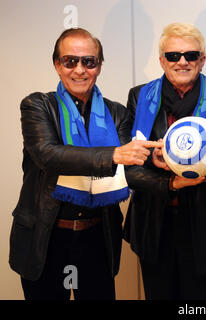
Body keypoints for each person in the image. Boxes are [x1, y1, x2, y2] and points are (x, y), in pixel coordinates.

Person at [9, 28, 158, 300]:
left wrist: (173, 178)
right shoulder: (38, 105)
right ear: (57, 64)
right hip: (46, 237)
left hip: (97, 237)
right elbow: (49, 155)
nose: (80, 69)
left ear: (99, 66)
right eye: (70, 61)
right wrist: (114, 154)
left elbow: (131, 170)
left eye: (89, 61)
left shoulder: (117, 113)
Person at [123, 23, 206, 300]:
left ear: (202, 59)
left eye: (190, 55)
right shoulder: (140, 97)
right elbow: (129, 165)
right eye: (174, 55)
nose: (182, 62)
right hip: (155, 224)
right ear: (162, 60)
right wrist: (156, 165)